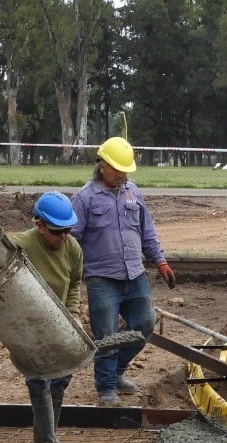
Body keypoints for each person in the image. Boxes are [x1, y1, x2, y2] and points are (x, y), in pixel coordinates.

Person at [70, 136, 175, 405]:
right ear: (102, 166)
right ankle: (106, 388)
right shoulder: (84, 198)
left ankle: (116, 373)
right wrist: (69, 276)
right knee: (106, 336)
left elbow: (147, 231)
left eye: (126, 170)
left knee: (145, 325)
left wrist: (160, 261)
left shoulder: (133, 192)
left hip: (134, 273)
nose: (122, 175)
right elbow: (71, 242)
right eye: (118, 169)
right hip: (102, 279)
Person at [12, 192, 86, 443]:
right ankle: (45, 442)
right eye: (57, 231)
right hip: (29, 324)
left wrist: (73, 314)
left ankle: (47, 440)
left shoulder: (73, 248)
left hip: (60, 320)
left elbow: (74, 283)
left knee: (62, 375)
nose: (63, 237)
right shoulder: (20, 246)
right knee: (39, 379)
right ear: (39, 225)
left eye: (67, 230)